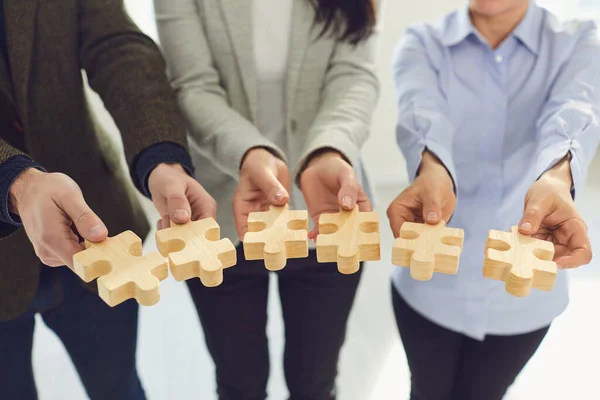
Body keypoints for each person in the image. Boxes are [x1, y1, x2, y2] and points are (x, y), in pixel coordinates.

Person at [154, 0, 380, 398]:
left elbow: (354, 75)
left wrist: (329, 149)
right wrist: (249, 152)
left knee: (316, 383)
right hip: (222, 212)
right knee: (239, 383)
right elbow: (193, 86)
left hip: (329, 208)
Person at [0, 1, 216, 399]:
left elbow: (115, 43)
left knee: (118, 387)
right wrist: (14, 181)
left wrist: (160, 156)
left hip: (96, 222)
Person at [387, 0, 600, 398]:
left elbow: (573, 110)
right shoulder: (422, 42)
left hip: (523, 303)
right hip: (429, 289)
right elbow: (422, 112)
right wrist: (433, 167)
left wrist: (555, 178)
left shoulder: (579, 40)